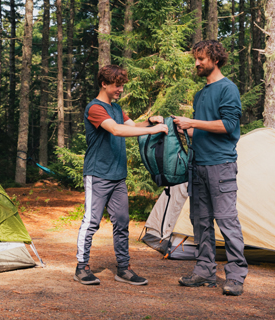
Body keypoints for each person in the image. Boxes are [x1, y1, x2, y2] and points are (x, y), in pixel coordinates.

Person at [74, 64, 168, 286]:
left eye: (122, 86)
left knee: (122, 222)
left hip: (118, 176)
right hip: (97, 174)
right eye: (117, 86)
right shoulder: (95, 108)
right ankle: (82, 267)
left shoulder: (116, 109)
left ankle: (123, 269)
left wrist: (150, 122)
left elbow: (132, 125)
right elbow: (116, 130)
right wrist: (151, 130)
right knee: (91, 222)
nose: (120, 90)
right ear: (104, 83)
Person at [172, 40, 247, 296]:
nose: (196, 63)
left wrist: (193, 121)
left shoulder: (228, 89)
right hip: (198, 166)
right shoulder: (200, 93)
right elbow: (203, 130)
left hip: (221, 167)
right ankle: (205, 271)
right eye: (196, 58)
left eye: (201, 58)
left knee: (227, 222)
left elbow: (228, 126)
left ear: (215, 59)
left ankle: (236, 276)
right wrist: (185, 129)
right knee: (200, 222)